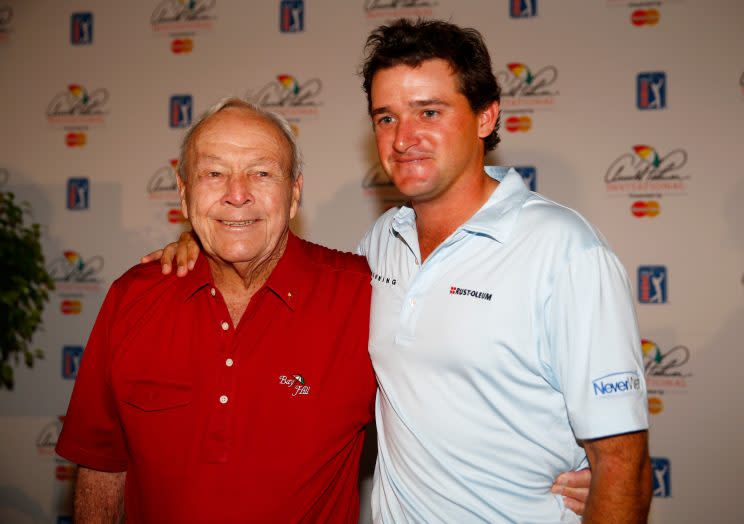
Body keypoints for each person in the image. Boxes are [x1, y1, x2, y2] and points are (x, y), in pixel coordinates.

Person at [151, 18, 652, 523]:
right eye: (386, 118)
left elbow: (622, 465)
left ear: (485, 116)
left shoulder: (565, 252)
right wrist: (208, 238)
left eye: (429, 112)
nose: (404, 137)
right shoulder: (382, 245)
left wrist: (611, 492)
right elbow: (283, 267)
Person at [56, 99, 379, 523]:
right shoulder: (132, 298)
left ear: (295, 193)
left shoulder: (364, 296)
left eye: (262, 173)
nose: (237, 194)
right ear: (185, 195)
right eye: (214, 173)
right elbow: (101, 464)